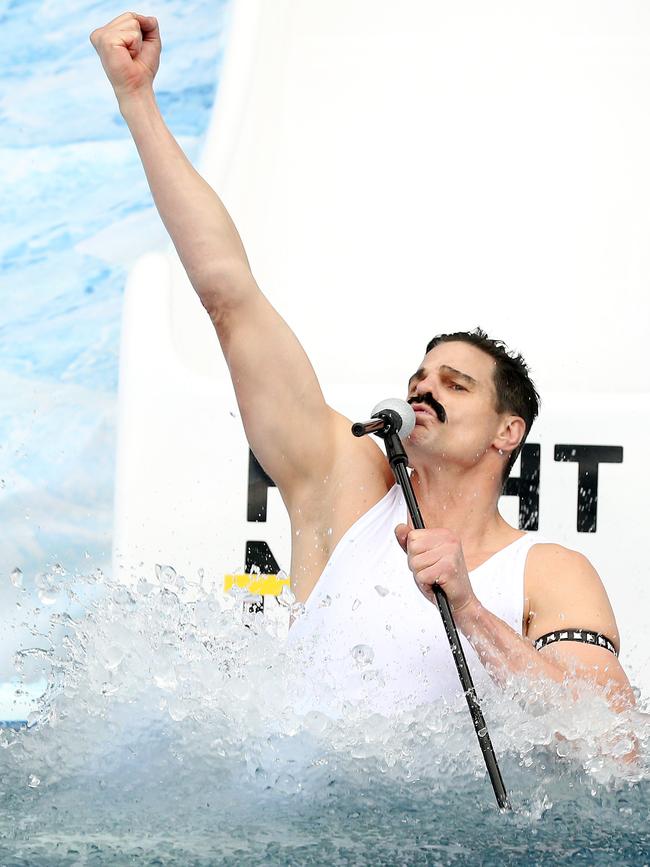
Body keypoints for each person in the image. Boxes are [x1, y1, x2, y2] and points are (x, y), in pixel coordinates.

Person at [90, 12, 635, 714]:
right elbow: (229, 297)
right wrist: (138, 101)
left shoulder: (549, 571)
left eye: (455, 383)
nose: (423, 386)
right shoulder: (341, 490)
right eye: (422, 374)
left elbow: (613, 742)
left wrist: (469, 610)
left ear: (508, 432)